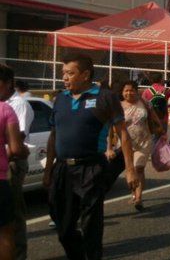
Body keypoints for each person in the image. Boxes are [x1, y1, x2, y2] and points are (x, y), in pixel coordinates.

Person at [44, 54, 139, 260]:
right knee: (64, 226)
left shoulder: (104, 97)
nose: (65, 78)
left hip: (91, 169)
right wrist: (48, 170)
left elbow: (123, 133)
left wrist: (130, 170)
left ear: (86, 74)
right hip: (62, 169)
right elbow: (54, 135)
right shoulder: (60, 99)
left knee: (91, 225)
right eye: (63, 73)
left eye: (70, 73)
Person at [0, 65, 32, 260]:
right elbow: (16, 145)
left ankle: (20, 255)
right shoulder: (5, 107)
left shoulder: (18, 104)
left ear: (8, 83)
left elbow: (20, 135)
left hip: (13, 165)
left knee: (14, 216)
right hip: (7, 161)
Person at [120, 81, 163, 211]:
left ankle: (138, 197)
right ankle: (134, 192)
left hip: (144, 141)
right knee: (130, 169)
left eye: (131, 90)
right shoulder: (119, 106)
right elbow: (112, 126)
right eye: (126, 90)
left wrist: (160, 128)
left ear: (136, 91)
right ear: (122, 92)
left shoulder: (144, 103)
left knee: (139, 168)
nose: (129, 93)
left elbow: (154, 116)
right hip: (126, 143)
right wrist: (109, 147)